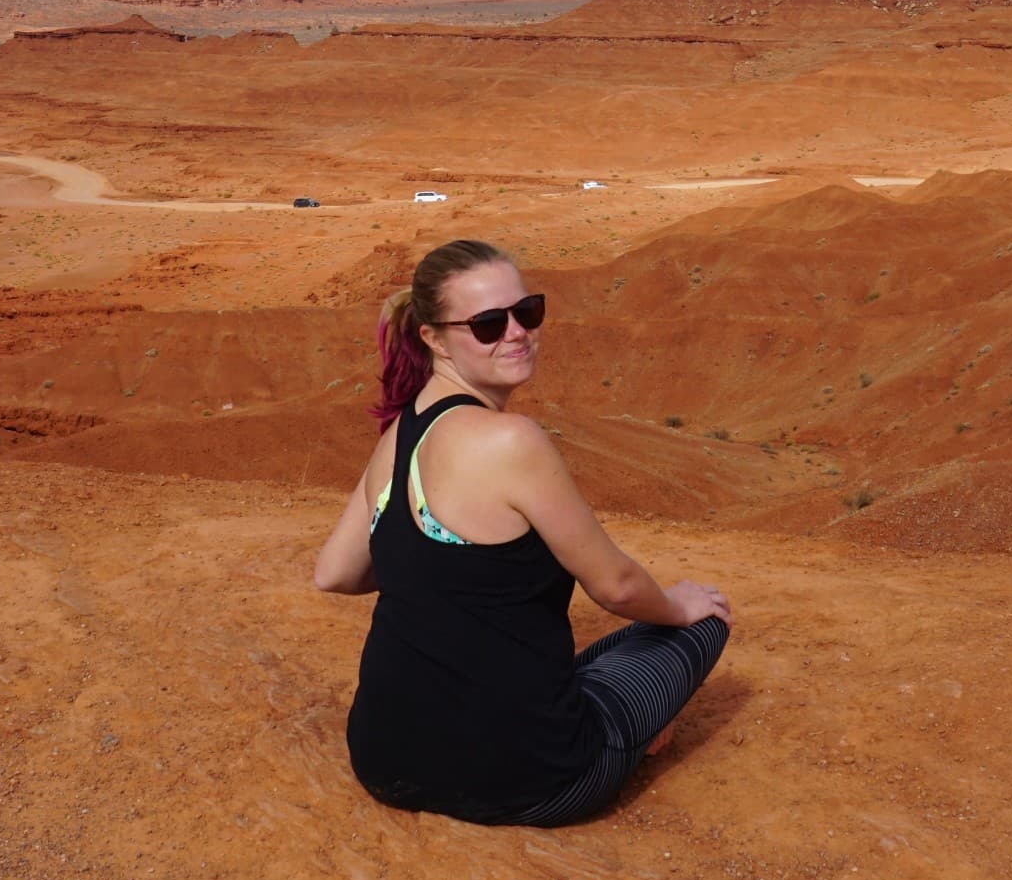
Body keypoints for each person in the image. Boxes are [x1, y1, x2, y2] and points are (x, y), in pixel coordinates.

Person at [314, 238, 733, 825]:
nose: (515, 332)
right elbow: (613, 586)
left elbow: (334, 573)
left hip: (385, 760)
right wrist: (678, 606)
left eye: (526, 312)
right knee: (691, 624)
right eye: (488, 324)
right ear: (433, 338)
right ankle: (637, 737)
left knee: (605, 654)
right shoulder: (511, 441)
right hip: (530, 778)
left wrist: (428, 569)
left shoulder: (398, 438)